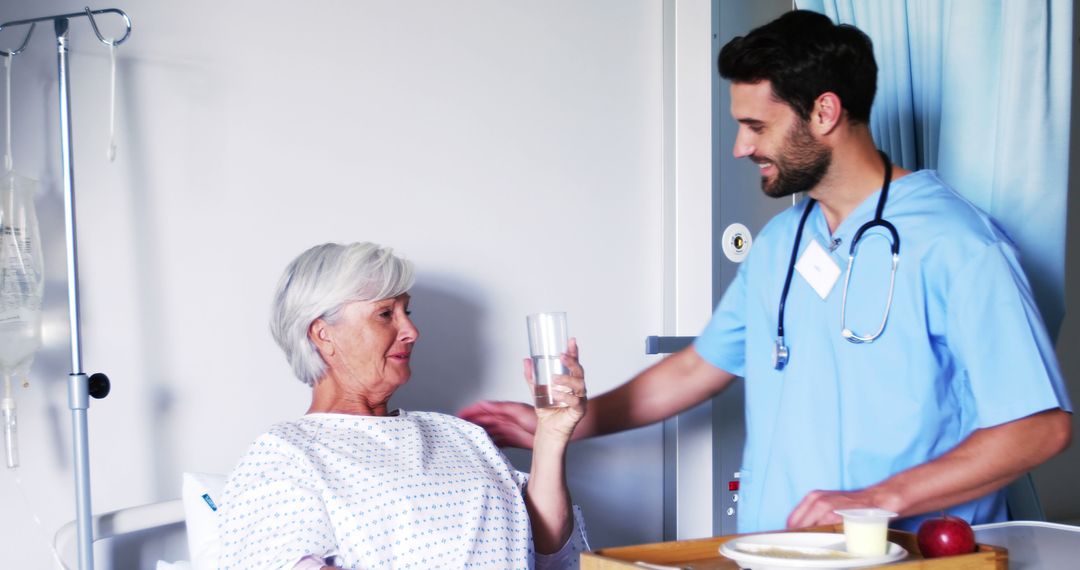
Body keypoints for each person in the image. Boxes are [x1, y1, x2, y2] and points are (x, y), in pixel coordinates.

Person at [460, 10, 1072, 534]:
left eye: (756, 126)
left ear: (825, 112)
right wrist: (572, 423)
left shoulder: (960, 246)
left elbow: (1039, 429)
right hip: (777, 551)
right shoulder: (784, 240)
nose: (740, 146)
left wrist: (876, 501)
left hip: (901, 557)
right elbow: (703, 365)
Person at [218, 242, 590, 569]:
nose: (412, 331)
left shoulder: (460, 434)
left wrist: (551, 437)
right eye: (386, 314)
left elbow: (549, 556)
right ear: (323, 334)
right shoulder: (287, 452)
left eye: (406, 312)